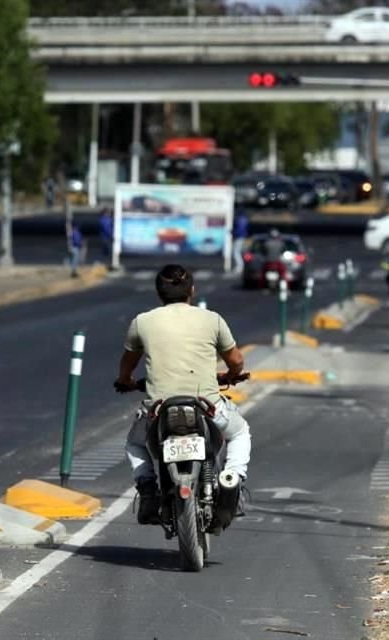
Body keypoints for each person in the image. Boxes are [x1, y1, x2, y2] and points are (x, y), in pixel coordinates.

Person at [115, 264, 252, 525]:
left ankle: (147, 489)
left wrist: (125, 382)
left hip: (159, 411)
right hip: (207, 406)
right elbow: (236, 361)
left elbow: (127, 365)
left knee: (135, 443)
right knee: (240, 432)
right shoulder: (212, 319)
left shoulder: (142, 322)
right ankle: (231, 478)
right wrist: (232, 374)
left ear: (159, 293)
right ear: (191, 290)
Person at [232, 208, 249, 274]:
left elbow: (239, 230)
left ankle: (240, 266)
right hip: (243, 236)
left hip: (239, 237)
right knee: (240, 251)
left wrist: (232, 232)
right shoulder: (245, 219)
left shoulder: (239, 220)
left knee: (236, 252)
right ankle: (241, 266)